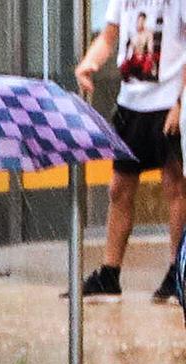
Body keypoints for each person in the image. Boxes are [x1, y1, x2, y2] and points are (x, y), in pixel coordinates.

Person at [75, 0, 186, 302]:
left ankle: (179, 272)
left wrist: (180, 101)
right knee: (119, 188)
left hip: (167, 100)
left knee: (175, 186)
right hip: (131, 102)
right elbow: (109, 37)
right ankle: (110, 275)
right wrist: (90, 63)